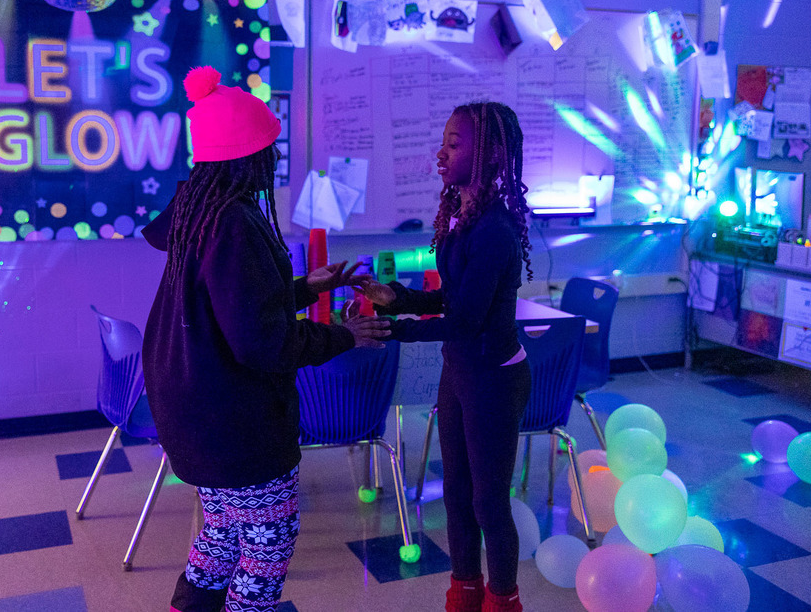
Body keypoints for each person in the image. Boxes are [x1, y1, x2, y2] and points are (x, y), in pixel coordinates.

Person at [141, 65, 391, 612]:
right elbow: (261, 342)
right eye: (268, 149)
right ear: (246, 154)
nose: (273, 161)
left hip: (197, 414)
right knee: (266, 545)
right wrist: (343, 335)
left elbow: (233, 304)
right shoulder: (232, 221)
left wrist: (302, 287)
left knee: (222, 535)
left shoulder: (199, 211)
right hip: (233, 423)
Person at [356, 102, 534, 612]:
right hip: (461, 374)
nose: (441, 153)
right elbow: (454, 299)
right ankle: (464, 593)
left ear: (491, 154)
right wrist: (400, 298)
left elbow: (467, 321)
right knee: (455, 495)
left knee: (487, 504)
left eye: (455, 144)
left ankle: (503, 600)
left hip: (495, 381)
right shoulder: (464, 216)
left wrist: (392, 330)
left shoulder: (494, 230)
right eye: (445, 141)